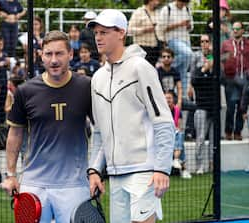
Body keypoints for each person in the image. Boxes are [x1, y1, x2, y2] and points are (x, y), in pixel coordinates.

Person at [87, 9, 175, 223]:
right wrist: (94, 170)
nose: (98, 37)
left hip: (144, 171)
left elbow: (163, 121)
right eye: (96, 32)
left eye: (105, 32)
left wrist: (162, 169)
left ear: (121, 33)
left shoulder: (141, 68)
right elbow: (99, 131)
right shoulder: (97, 79)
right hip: (115, 174)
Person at [2, 30, 92, 223]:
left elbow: (102, 131)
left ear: (70, 54)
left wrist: (96, 171)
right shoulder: (25, 91)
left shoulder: (87, 87)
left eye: (59, 53)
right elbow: (15, 134)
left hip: (74, 185)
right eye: (48, 54)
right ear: (41, 55)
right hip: (34, 184)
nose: (53, 60)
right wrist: (10, 174)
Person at [189, 34, 215, 174]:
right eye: (202, 42)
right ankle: (199, 165)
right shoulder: (196, 58)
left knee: (213, 139)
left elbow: (220, 79)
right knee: (200, 137)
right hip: (201, 105)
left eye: (207, 41)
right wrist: (204, 69)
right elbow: (194, 79)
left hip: (213, 105)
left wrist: (212, 67)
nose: (204, 44)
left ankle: (212, 164)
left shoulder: (215, 58)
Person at [157, 0, 193, 99]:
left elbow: (191, 28)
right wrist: (179, 24)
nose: (183, 5)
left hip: (185, 40)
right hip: (172, 40)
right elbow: (161, 28)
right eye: (182, 2)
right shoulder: (167, 9)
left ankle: (183, 97)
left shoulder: (187, 9)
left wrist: (189, 26)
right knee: (188, 54)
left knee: (183, 71)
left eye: (185, 3)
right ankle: (167, 65)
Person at [221, 21, 249, 140]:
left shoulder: (248, 44)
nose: (235, 31)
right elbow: (220, 59)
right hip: (231, 79)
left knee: (242, 107)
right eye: (234, 29)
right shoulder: (226, 44)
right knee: (231, 107)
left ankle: (238, 131)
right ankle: (228, 130)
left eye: (238, 29)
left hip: (244, 78)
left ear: (243, 30)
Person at [164, 91, 191, 179]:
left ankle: (176, 159)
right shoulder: (162, 111)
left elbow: (178, 126)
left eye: (169, 98)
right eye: (166, 98)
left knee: (180, 134)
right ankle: (183, 168)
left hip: (174, 135)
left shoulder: (177, 111)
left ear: (173, 99)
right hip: (164, 136)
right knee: (180, 140)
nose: (168, 100)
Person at [128, 0, 162, 66]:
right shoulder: (138, 12)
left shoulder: (158, 13)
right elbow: (130, 30)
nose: (158, 2)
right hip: (141, 47)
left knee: (151, 70)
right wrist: (144, 30)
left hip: (155, 48)